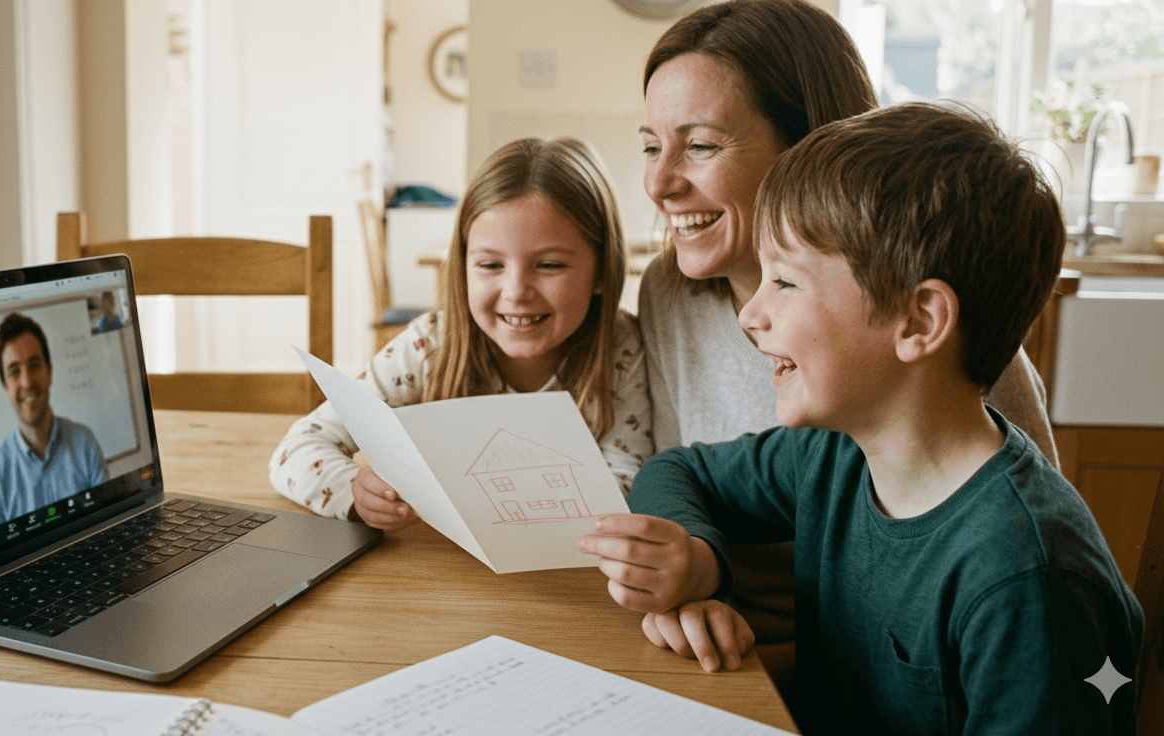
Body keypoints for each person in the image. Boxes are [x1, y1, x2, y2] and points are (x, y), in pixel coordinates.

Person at [582, 103, 1143, 734]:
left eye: (786, 283)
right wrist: (695, 560)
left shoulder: (1029, 584)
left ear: (919, 321)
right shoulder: (834, 453)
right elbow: (678, 469)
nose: (751, 314)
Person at [633, 0, 1059, 662]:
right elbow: (682, 492)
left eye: (701, 145)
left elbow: (1020, 544)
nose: (658, 183)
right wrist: (691, 582)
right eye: (650, 146)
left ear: (811, 149)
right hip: (739, 661)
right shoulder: (669, 293)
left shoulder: (929, 342)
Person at [269, 137, 652, 529]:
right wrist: (353, 492)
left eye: (550, 265)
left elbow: (627, 484)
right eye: (490, 265)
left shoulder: (621, 351)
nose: (516, 291)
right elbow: (297, 449)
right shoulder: (429, 345)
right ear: (464, 265)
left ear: (602, 271)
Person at [0, 312, 108, 530]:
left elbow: (108, 523)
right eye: (14, 371)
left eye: (35, 365)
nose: (27, 381)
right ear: (5, 387)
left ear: (50, 372)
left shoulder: (84, 444)